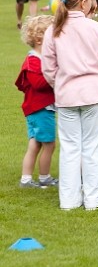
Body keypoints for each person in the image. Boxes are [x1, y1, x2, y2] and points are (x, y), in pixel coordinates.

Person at [41, 0, 98, 210]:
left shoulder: (54, 30)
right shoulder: (96, 29)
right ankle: (92, 200)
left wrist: (59, 83)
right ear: (83, 2)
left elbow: (48, 68)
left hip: (67, 95)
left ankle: (69, 201)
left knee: (70, 149)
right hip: (91, 94)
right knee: (90, 147)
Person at [16, 15, 58, 189]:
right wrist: (56, 72)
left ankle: (26, 179)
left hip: (38, 109)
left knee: (35, 143)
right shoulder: (34, 60)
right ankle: (44, 177)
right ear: (41, 39)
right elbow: (39, 84)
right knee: (49, 144)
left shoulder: (38, 59)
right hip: (40, 109)